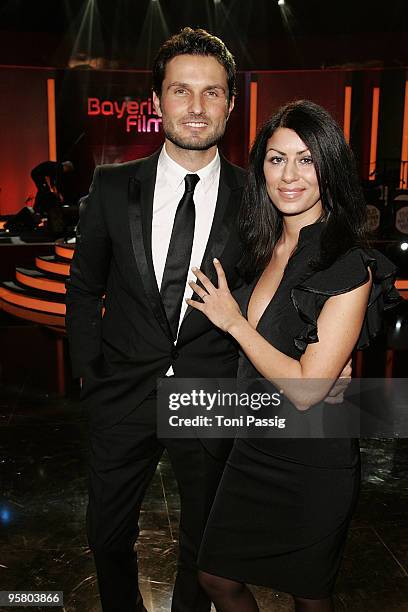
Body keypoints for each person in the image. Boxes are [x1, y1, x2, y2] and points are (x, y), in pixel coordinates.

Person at [186, 100, 401, 611]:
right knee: (215, 577)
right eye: (277, 159)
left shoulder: (347, 262)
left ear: (328, 169)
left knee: (310, 596)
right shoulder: (259, 247)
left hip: (313, 459)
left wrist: (234, 323)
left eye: (307, 160)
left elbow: (307, 389)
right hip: (253, 445)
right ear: (260, 168)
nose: (290, 175)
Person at [65, 27, 244, 612]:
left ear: (231, 103)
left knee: (205, 542)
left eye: (212, 93)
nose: (196, 107)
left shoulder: (256, 197)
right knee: (107, 535)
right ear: (157, 101)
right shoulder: (114, 187)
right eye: (181, 91)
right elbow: (86, 286)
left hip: (211, 394)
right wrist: (90, 374)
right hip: (122, 393)